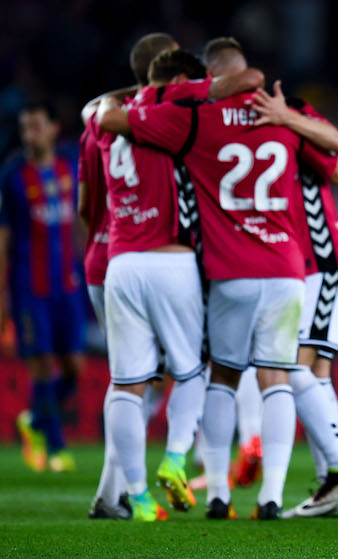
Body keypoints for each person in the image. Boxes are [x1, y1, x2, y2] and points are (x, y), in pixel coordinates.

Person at [99, 50, 338, 521]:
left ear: (210, 78)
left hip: (230, 272)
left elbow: (117, 122)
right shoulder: (281, 116)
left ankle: (219, 495)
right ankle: (273, 498)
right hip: (286, 269)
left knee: (221, 377)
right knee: (279, 378)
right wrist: (286, 116)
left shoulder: (197, 123)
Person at [89, 47, 263, 522]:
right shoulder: (174, 109)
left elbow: (105, 119)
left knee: (126, 385)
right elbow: (244, 80)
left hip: (119, 262)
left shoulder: (104, 118)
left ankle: (139, 497)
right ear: (181, 79)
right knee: (190, 373)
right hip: (170, 258)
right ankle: (174, 457)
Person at [202, 37, 338, 519]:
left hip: (323, 259)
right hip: (294, 267)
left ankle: (336, 474)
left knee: (298, 368)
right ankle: (333, 486)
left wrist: (286, 116)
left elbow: (337, 166)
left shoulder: (286, 114)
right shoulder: (227, 127)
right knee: (305, 371)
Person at [80, 31, 176, 521]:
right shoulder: (160, 120)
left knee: (131, 376)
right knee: (143, 380)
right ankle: (119, 490)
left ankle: (112, 488)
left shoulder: (96, 122)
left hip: (103, 256)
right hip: (147, 253)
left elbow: (83, 203)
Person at [0, 100, 85, 474]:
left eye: (35, 127)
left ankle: (33, 418)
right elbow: (2, 238)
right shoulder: (12, 175)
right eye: (24, 129)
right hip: (29, 288)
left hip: (68, 285)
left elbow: (82, 220)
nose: (28, 136)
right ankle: (55, 446)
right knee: (40, 365)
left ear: (53, 128)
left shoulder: (71, 166)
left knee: (74, 368)